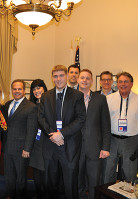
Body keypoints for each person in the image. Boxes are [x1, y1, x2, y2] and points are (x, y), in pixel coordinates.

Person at [38, 65, 86, 199]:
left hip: (69, 146)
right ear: (52, 78)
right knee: (51, 185)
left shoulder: (77, 95)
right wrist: (53, 135)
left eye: (61, 76)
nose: (58, 79)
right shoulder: (46, 96)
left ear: (66, 76)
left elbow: (81, 119)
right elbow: (41, 118)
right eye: (55, 76)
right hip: (50, 146)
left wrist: (62, 134)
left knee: (70, 184)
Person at [104, 72, 138, 183]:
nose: (123, 84)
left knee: (129, 172)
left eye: (126, 81)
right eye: (120, 81)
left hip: (131, 141)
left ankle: (127, 195)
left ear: (131, 84)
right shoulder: (108, 99)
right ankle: (107, 193)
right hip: (111, 140)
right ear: (117, 84)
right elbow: (103, 121)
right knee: (107, 170)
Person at [77, 69, 111, 199]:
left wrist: (106, 147)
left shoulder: (100, 99)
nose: (84, 80)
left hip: (95, 149)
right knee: (77, 182)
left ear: (91, 81)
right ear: (78, 80)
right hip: (75, 149)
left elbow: (106, 125)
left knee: (94, 182)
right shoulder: (71, 97)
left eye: (87, 78)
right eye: (82, 77)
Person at [4, 79, 38, 199]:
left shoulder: (31, 107)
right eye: (14, 89)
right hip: (7, 147)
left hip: (21, 149)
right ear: (11, 90)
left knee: (21, 177)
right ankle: (9, 195)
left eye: (19, 89)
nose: (17, 91)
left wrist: (27, 149)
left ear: (24, 91)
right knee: (8, 175)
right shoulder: (7, 104)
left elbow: (32, 130)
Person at [29, 79, 48, 199]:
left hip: (47, 142)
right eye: (34, 88)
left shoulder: (51, 104)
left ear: (44, 88)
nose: (36, 91)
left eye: (39, 87)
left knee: (46, 171)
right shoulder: (30, 106)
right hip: (35, 142)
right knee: (36, 169)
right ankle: (39, 194)